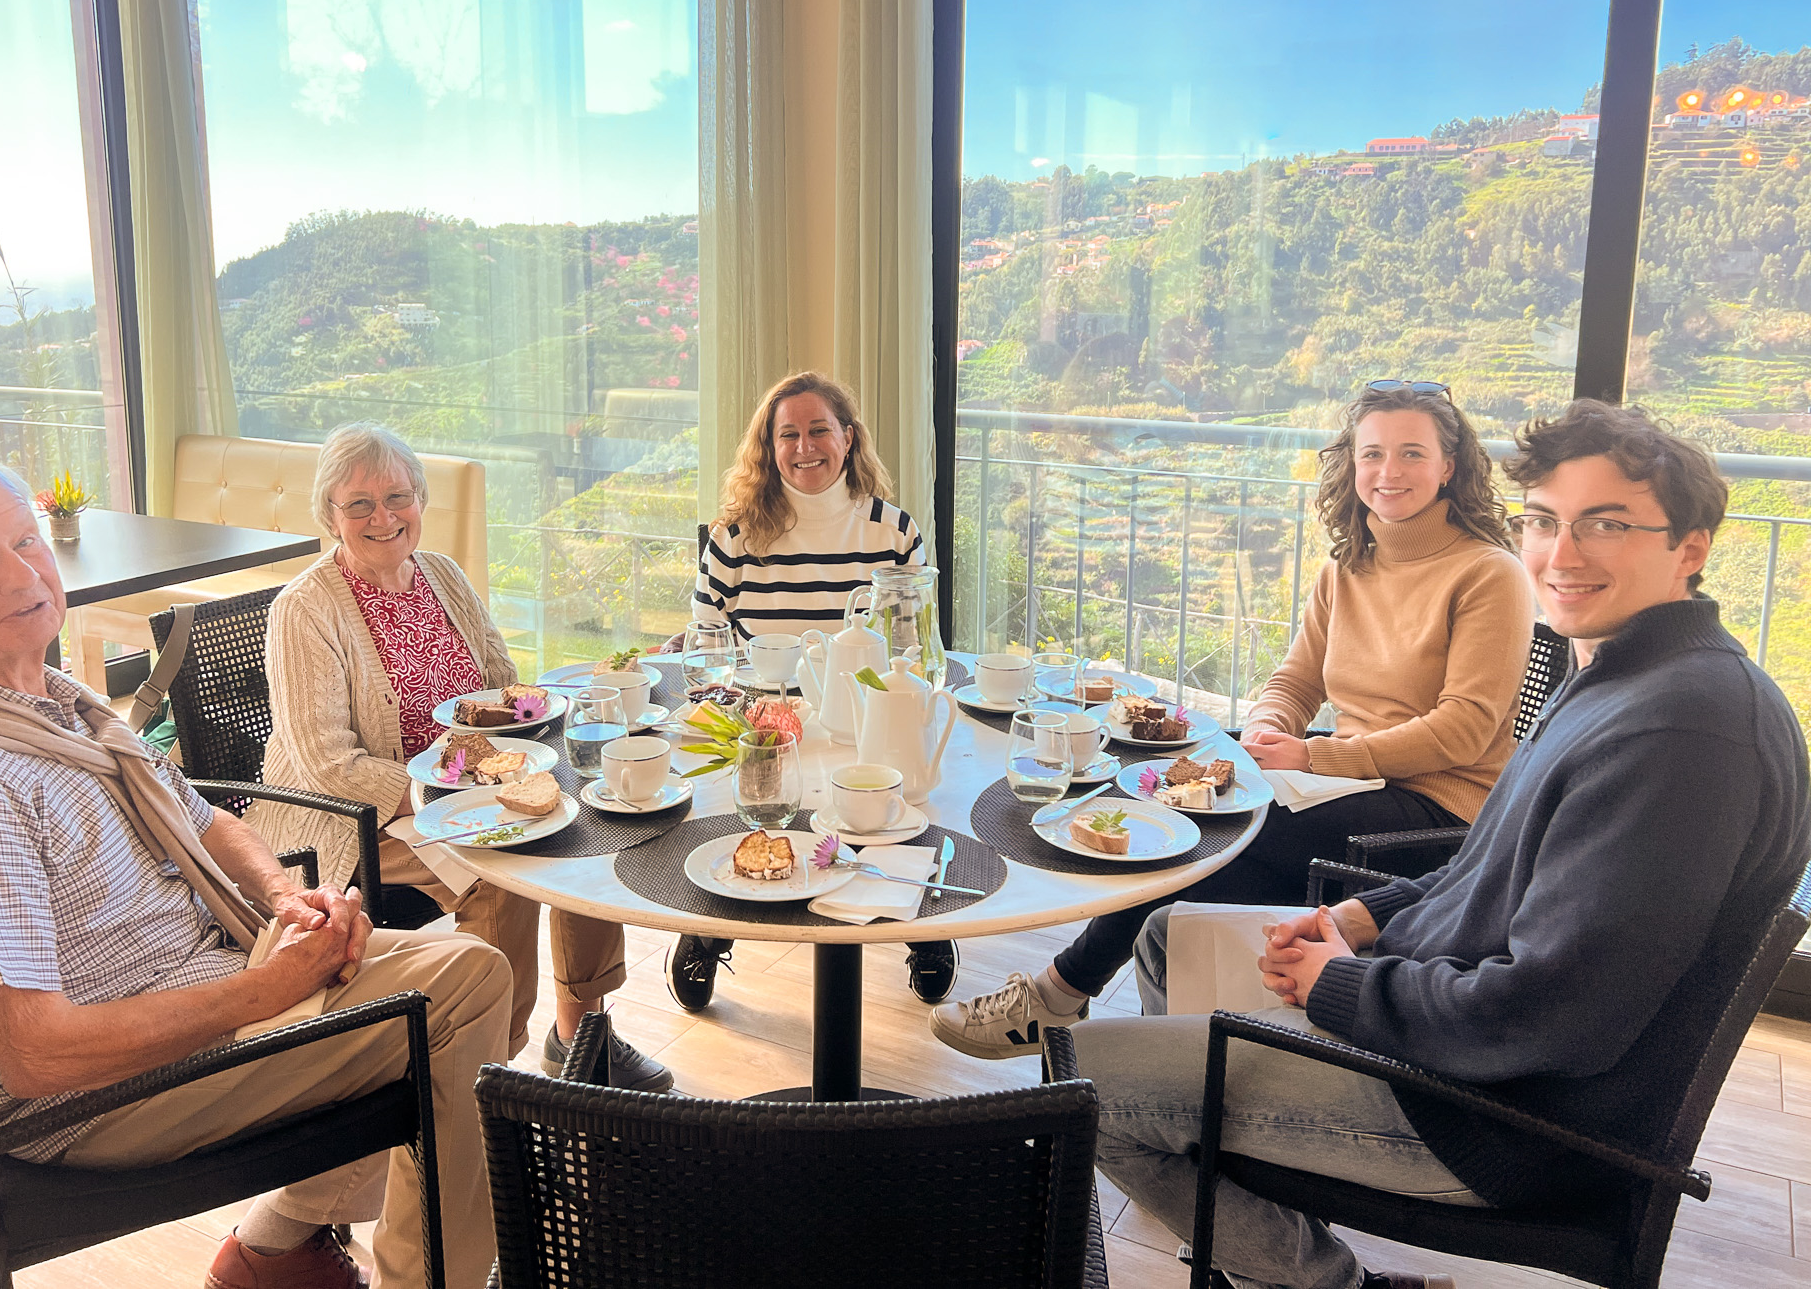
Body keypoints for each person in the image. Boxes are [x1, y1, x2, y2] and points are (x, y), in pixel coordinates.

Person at [1074, 400, 1810, 1289]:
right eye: (1544, 520)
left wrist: (1342, 985)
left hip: (1495, 1115)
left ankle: (1323, 1280)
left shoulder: (1682, 733)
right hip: (1452, 1042)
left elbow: (1553, 1015)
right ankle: (1256, 1233)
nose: (1562, 553)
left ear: (1690, 548)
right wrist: (1363, 916)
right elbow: (1484, 867)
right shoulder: (1621, 672)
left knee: (1085, 1082)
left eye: (1607, 524)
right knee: (1168, 935)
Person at [0, 453, 516, 1289]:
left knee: (467, 969)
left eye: (25, 539)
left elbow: (207, 820)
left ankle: (279, 1250)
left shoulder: (47, 702)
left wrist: (286, 896)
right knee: (460, 996)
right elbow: (34, 1055)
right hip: (108, 1097)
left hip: (214, 978)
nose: (20, 574)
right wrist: (262, 992)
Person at [933, 382, 1535, 1059]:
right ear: (1352, 463)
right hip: (1348, 783)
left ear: (1449, 465)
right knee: (1186, 874)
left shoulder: (1490, 573)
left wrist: (1312, 756)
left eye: (1411, 453)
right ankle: (1165, 1061)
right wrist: (1267, 729)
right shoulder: (1349, 566)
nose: (1388, 471)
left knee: (1200, 831)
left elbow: (1465, 728)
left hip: (1435, 809)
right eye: (1372, 453)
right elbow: (1297, 680)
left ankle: (1057, 995)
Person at [251, 422, 672, 1090]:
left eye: (398, 496)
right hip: (363, 814)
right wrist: (449, 796)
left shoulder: (441, 574)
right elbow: (330, 763)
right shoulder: (304, 610)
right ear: (329, 515)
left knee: (586, 820)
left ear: (420, 499)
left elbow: (504, 684)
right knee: (500, 869)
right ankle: (492, 1069)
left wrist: (522, 759)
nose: (383, 516)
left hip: (470, 787)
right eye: (359, 503)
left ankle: (581, 1036)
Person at [668, 371, 958, 1008]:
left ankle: (923, 923)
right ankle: (707, 926)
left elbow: (913, 644)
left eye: (819, 430)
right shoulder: (735, 535)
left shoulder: (892, 531)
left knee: (907, 794)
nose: (805, 447)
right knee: (738, 805)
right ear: (769, 447)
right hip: (766, 716)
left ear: (848, 438)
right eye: (788, 435)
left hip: (866, 711)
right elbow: (707, 642)